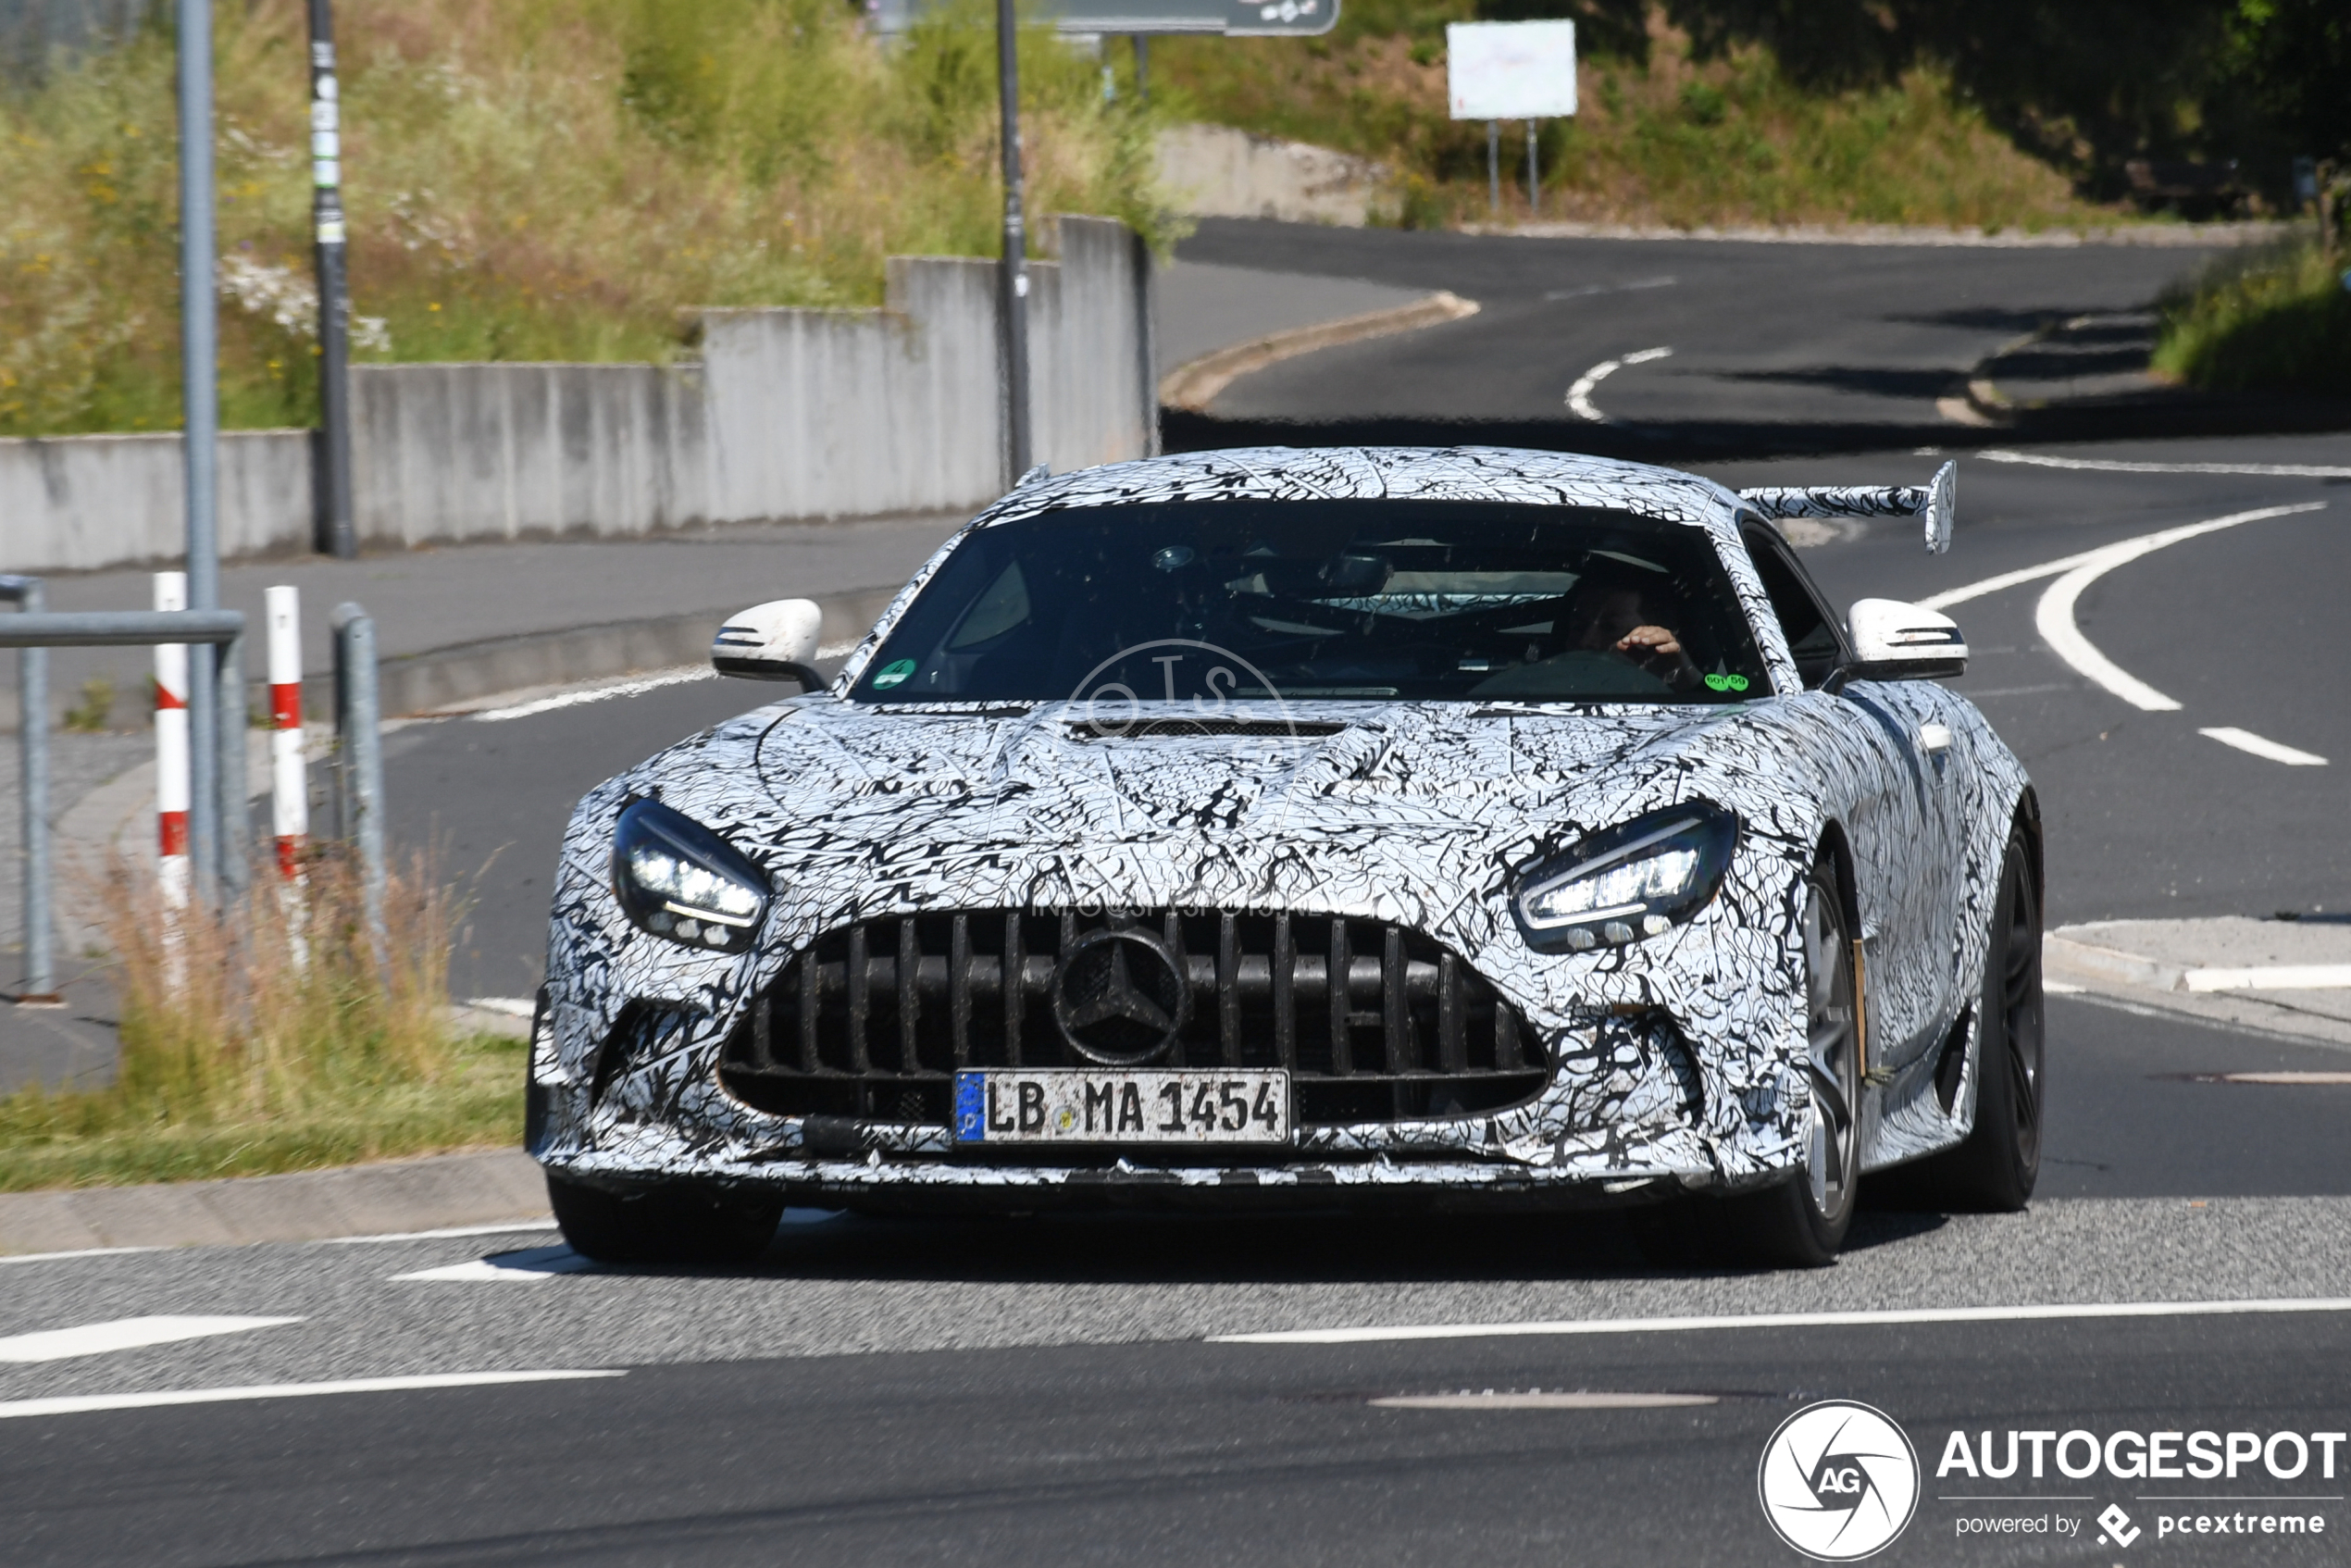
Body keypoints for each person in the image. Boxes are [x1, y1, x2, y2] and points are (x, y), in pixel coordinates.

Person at [1565, 563, 1702, 691]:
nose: (1585, 641)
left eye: (1611, 627)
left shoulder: (1669, 705)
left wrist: (1684, 676)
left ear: (1655, 638)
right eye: (1579, 626)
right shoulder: (1546, 687)